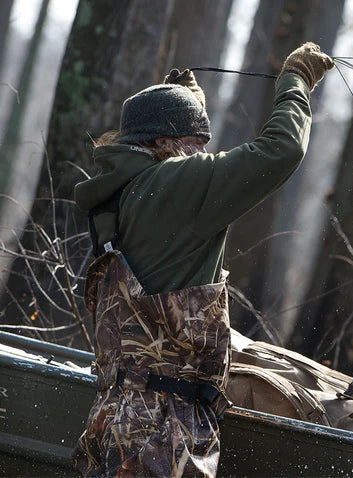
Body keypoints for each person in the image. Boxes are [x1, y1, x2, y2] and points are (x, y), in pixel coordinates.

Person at [72, 42, 334, 477]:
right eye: (196, 141)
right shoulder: (177, 182)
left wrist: (186, 109)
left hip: (113, 418)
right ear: (163, 141)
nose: (204, 152)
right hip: (163, 431)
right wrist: (295, 82)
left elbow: (188, 174)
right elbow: (280, 150)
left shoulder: (119, 191)